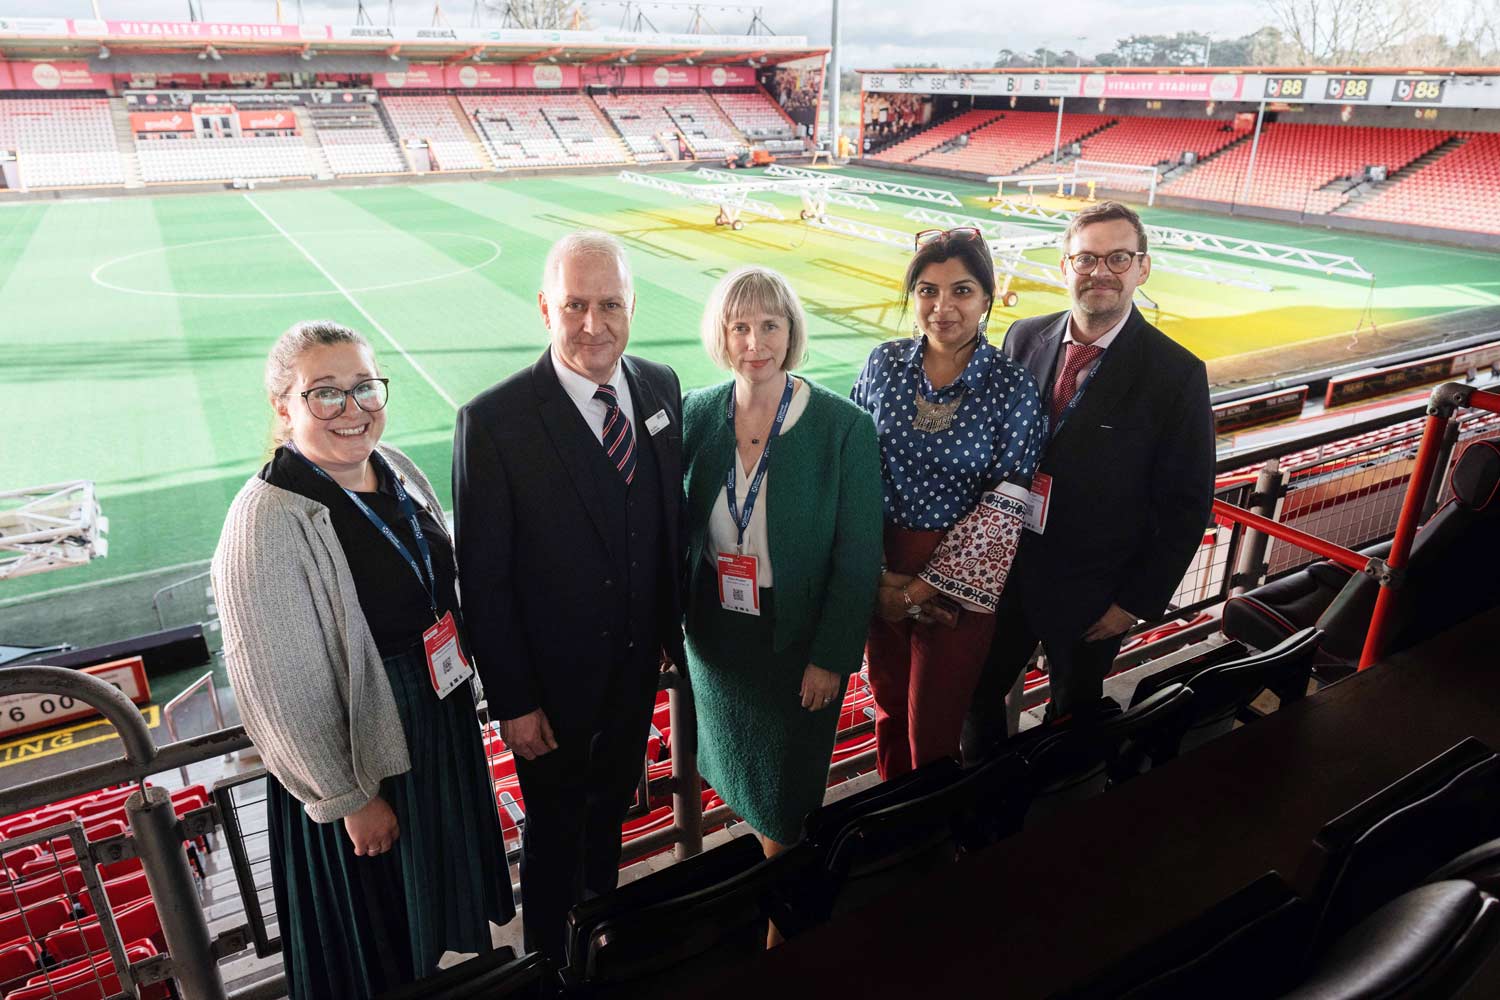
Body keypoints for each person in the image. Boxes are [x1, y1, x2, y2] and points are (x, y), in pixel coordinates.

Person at [213, 321, 512, 1000]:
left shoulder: (394, 466)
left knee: (431, 919)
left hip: (434, 718)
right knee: (380, 943)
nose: (352, 409)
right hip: (360, 753)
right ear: (283, 406)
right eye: (325, 392)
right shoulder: (265, 519)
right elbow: (277, 688)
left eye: (364, 388)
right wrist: (348, 797)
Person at [452, 231, 686, 963]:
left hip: (636, 671)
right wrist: (514, 701)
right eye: (575, 305)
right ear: (545, 307)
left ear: (632, 307)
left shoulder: (661, 385)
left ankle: (599, 949)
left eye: (610, 305)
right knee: (555, 836)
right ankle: (552, 968)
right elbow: (483, 579)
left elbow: (662, 521)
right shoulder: (494, 421)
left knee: (610, 816)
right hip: (549, 694)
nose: (593, 324)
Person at [965, 201, 1215, 755]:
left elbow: (1187, 504)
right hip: (1006, 575)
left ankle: (1061, 800)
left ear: (1142, 268)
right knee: (975, 696)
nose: (1100, 271)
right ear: (1064, 268)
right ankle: (988, 799)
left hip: (1094, 593)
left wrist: (1133, 603)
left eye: (1118, 258)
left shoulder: (1175, 373)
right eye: (1086, 259)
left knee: (1073, 715)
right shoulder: (1023, 337)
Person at [682, 267, 883, 873]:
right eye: (739, 327)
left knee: (787, 805)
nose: (755, 343)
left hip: (798, 645)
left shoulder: (843, 427)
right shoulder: (696, 414)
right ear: (721, 335)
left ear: (791, 330)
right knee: (737, 781)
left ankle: (784, 913)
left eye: (769, 325)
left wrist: (832, 657)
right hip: (719, 644)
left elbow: (857, 557)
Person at [851, 228, 1044, 779]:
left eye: (961, 291)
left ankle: (930, 827)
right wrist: (878, 578)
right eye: (927, 291)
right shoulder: (883, 364)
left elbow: (1005, 506)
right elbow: (854, 469)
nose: (943, 307)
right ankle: (891, 816)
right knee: (887, 708)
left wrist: (913, 592)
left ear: (987, 298)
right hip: (879, 562)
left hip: (960, 583)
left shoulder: (1011, 386)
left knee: (933, 730)